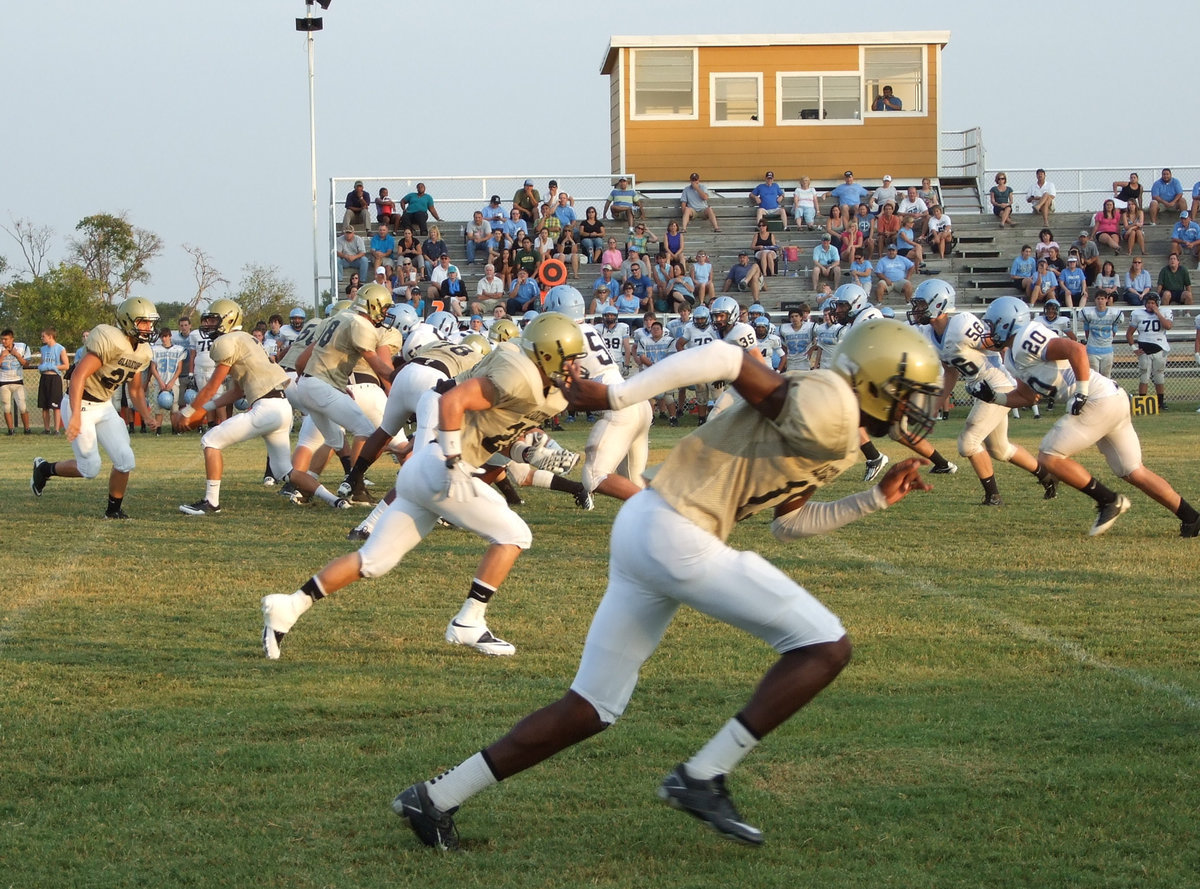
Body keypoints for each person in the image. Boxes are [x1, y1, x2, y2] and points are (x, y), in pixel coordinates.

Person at [391, 319, 945, 851]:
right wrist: (615, 397)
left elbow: (789, 522)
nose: (915, 408)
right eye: (908, 394)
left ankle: (435, 798)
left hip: (650, 527)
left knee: (590, 709)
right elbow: (729, 358)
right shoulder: (831, 404)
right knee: (825, 645)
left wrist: (873, 499)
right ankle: (703, 775)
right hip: (677, 532)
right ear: (872, 381)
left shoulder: (844, 431)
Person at [261, 312, 590, 662]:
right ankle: (469, 620)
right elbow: (452, 402)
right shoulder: (516, 377)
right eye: (570, 361)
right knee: (515, 535)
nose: (575, 369)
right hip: (440, 466)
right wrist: (452, 461)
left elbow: (495, 435)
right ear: (548, 355)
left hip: (420, 470)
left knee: (372, 561)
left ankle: (289, 606)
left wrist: (527, 452)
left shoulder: (531, 385)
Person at [972, 297, 1199, 538]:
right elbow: (1028, 397)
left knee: (1049, 456)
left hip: (1096, 399)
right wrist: (995, 397)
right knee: (1133, 470)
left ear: (1008, 323)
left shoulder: (1025, 339)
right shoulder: (1012, 356)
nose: (990, 330)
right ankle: (1191, 517)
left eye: (993, 324)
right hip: (1111, 398)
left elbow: (1075, 349)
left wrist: (1081, 391)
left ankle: (1109, 501)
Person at [909, 281, 1058, 507]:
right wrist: (937, 405)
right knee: (1000, 449)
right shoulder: (931, 334)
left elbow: (1000, 342)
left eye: (921, 304)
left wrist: (1022, 376)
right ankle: (1046, 476)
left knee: (968, 443)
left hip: (998, 385)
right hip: (984, 389)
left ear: (939, 304)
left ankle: (993, 496)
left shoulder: (961, 325)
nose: (917, 309)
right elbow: (950, 371)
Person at [30, 297, 160, 518]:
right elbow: (79, 376)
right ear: (128, 321)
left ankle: (113, 510)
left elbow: (136, 390)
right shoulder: (110, 339)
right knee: (90, 468)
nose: (149, 327)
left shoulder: (143, 351)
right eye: (143, 322)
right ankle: (44, 469)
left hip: (103, 405)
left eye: (151, 322)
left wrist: (146, 415)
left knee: (125, 459)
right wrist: (74, 418)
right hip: (80, 401)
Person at [172, 299, 296, 515]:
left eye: (213, 320)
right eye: (207, 320)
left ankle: (211, 502)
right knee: (284, 470)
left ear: (228, 319)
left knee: (210, 440)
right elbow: (237, 391)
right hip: (282, 404)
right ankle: (335, 500)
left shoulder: (227, 341)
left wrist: (190, 412)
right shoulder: (247, 339)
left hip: (265, 407)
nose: (208, 324)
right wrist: (204, 408)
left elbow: (212, 386)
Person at [1127, 294, 1173, 410]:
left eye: (1153, 303)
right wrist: (1134, 349)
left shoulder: (1165, 312)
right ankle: (1142, 403)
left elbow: (1168, 326)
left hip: (1160, 349)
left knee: (1159, 377)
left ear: (1157, 304)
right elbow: (1129, 334)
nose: (1150, 305)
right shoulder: (1138, 314)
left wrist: (1158, 313)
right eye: (1148, 303)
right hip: (1144, 351)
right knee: (1144, 377)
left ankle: (1160, 403)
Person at [149, 328, 185, 435]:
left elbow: (179, 368)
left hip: (173, 382)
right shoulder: (155, 350)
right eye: (162, 337)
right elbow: (153, 368)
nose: (164, 339)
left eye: (166, 336)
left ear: (170, 336)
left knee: (174, 408)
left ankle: (175, 429)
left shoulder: (178, 350)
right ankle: (158, 430)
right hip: (159, 382)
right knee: (158, 408)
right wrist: (160, 381)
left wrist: (172, 382)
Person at [1080, 290, 1123, 377]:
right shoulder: (1088, 313)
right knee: (1093, 376)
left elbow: (1114, 330)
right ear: (1095, 300)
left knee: (1106, 376)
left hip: (1107, 349)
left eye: (1102, 299)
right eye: (1098, 299)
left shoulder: (1113, 314)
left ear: (1106, 299)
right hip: (1092, 349)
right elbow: (1086, 329)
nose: (1100, 301)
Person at [36, 328, 69, 434]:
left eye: (43, 336)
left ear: (50, 336)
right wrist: (41, 367)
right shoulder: (43, 349)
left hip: (54, 378)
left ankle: (56, 429)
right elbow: (41, 363)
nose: (42, 338)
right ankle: (46, 429)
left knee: (56, 406)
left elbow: (66, 365)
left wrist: (54, 367)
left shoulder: (60, 348)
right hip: (44, 378)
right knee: (44, 406)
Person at [0, 329, 33, 434]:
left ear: (12, 339)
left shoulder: (21, 347)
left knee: (22, 406)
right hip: (3, 381)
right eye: (2, 339)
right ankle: (11, 430)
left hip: (17, 380)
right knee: (6, 407)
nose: (3, 341)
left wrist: (17, 355)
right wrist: (2, 356)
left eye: (6, 339)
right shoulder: (0, 349)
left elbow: (27, 364)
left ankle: (27, 429)